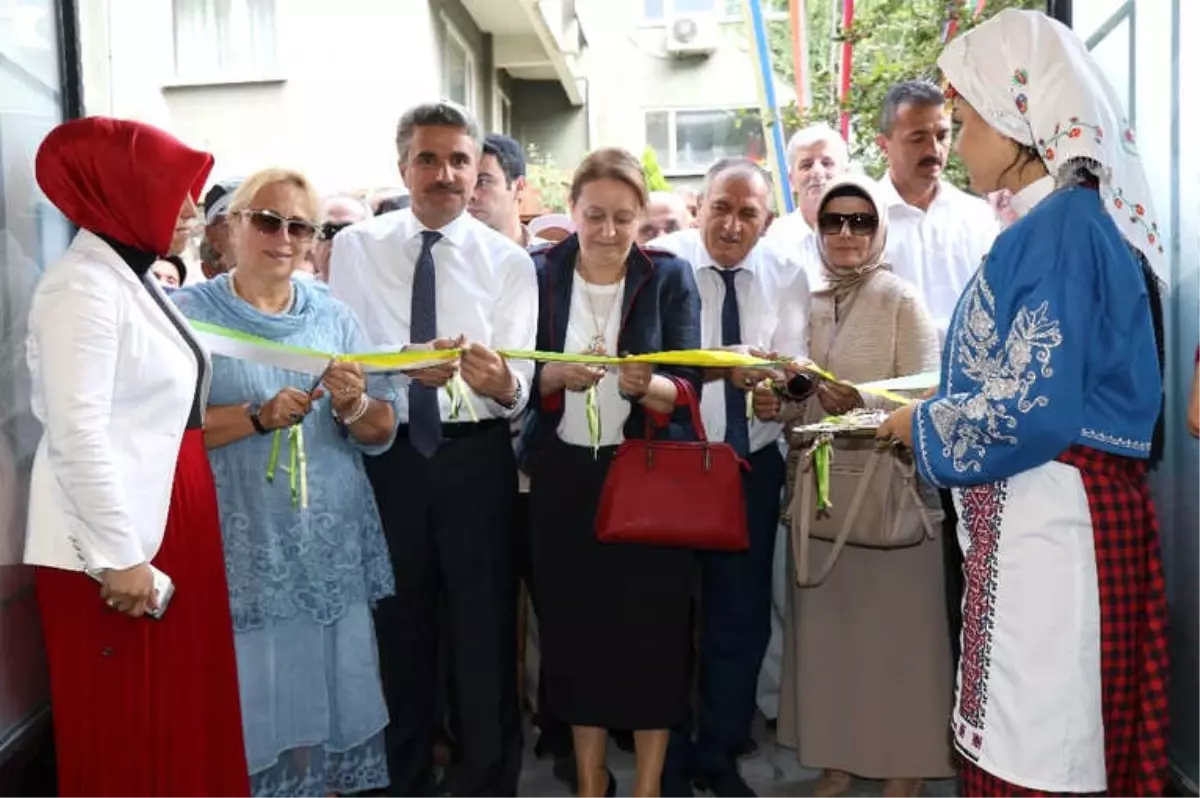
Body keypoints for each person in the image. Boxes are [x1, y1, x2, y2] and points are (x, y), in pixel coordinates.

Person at [877, 9, 1170, 796]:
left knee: (1043, 754)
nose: (959, 140)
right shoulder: (1056, 225)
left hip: (1054, 528)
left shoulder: (1060, 230)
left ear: (1017, 123)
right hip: (1040, 519)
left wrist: (923, 423)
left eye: (966, 121)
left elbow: (1033, 408)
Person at [23, 116, 249, 797]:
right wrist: (120, 555)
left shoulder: (130, 275)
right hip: (119, 539)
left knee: (180, 713)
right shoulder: (80, 287)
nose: (190, 211)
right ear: (120, 191)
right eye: (175, 191)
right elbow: (76, 431)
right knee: (129, 724)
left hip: (169, 514)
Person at [329, 100, 534, 798]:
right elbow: (345, 357)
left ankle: (486, 781)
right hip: (387, 460)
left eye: (458, 161)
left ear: (478, 171)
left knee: (484, 635)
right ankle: (399, 780)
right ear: (403, 167)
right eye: (428, 158)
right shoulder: (358, 247)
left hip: (476, 462)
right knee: (397, 631)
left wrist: (501, 379)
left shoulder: (509, 262)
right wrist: (396, 364)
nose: (444, 173)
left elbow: (521, 389)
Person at [172, 168, 398, 798]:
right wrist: (254, 417)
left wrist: (353, 407)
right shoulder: (185, 315)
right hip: (238, 544)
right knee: (250, 700)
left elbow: (382, 431)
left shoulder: (334, 316)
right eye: (268, 220)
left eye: (300, 226)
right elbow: (159, 431)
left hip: (326, 544)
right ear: (231, 227)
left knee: (329, 694)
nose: (284, 236)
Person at [522, 147, 702, 798]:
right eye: (593, 215)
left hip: (648, 475)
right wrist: (552, 376)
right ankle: (592, 782)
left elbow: (692, 383)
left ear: (641, 218)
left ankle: (649, 785)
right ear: (570, 210)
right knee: (575, 636)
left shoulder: (670, 277)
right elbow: (517, 383)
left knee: (656, 635)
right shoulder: (539, 272)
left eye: (622, 218)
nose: (606, 231)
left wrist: (647, 383)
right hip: (564, 477)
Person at [763, 174, 950, 798]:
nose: (846, 233)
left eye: (861, 221)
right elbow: (796, 400)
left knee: (900, 638)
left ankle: (906, 765)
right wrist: (777, 403)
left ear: (879, 229)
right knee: (828, 639)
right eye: (833, 221)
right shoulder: (807, 299)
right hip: (819, 492)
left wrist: (862, 399)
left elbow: (929, 388)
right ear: (817, 229)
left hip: (888, 489)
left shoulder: (902, 297)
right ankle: (836, 758)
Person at [648, 158, 809, 798]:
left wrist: (779, 397)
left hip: (750, 466)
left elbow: (795, 373)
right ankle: (669, 753)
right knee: (666, 614)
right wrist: (720, 369)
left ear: (766, 222)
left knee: (739, 617)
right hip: (677, 462)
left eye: (748, 213)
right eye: (722, 207)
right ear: (698, 206)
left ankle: (719, 751)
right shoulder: (663, 265)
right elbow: (650, 359)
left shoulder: (787, 275)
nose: (732, 224)